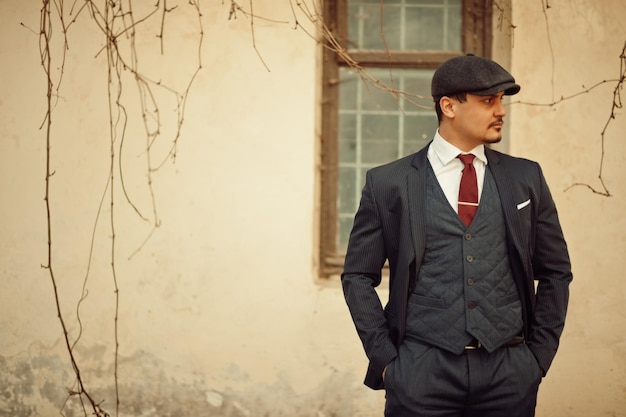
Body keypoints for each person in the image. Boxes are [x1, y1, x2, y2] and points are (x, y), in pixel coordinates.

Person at [341, 54, 572, 417]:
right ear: (448, 106)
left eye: (500, 100)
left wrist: (537, 358)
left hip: (508, 370)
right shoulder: (389, 183)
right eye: (487, 101)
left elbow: (556, 272)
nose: (501, 111)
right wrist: (386, 360)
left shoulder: (525, 179)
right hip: (420, 370)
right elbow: (357, 275)